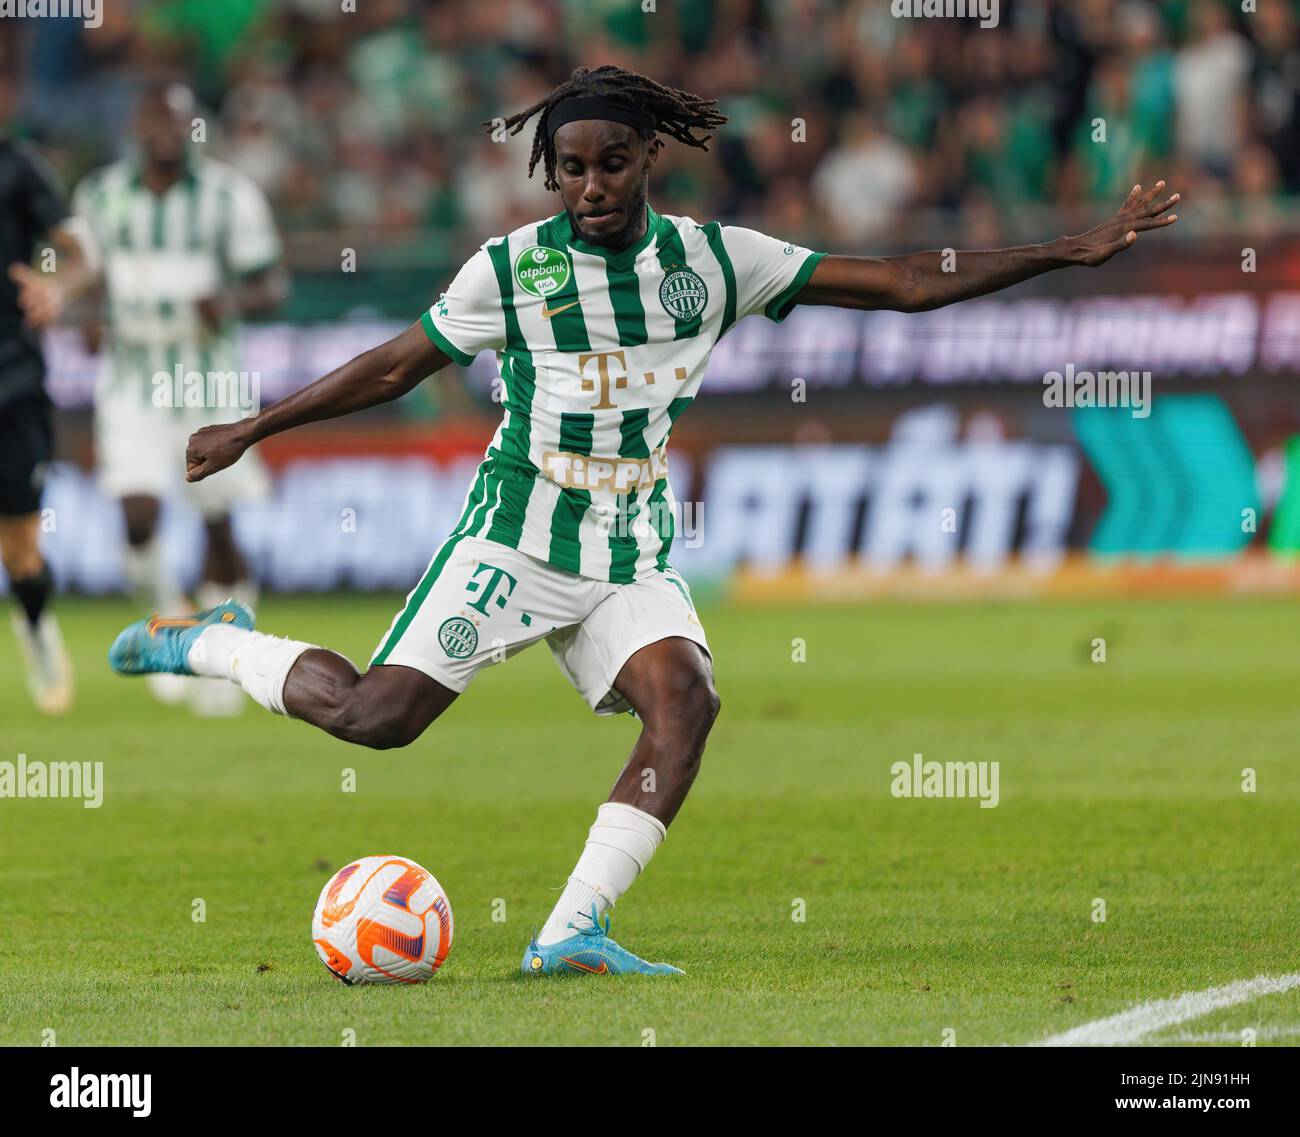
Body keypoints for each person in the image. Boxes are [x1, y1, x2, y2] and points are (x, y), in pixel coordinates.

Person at [108, 65, 1179, 975]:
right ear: (547, 171)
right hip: (516, 535)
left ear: (646, 159)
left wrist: (1065, 248)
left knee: (688, 699)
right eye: (569, 167)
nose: (589, 185)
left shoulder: (713, 263)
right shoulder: (512, 270)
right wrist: (255, 427)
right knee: (373, 721)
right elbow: (396, 364)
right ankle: (213, 642)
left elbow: (898, 280)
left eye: (609, 163)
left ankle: (570, 932)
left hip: (627, 546)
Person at [72, 80, 286, 715]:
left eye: (176, 119)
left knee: (217, 521)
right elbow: (84, 273)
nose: (164, 130)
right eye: (152, 117)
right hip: (131, 382)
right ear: (136, 126)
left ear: (193, 126)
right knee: (137, 518)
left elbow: (271, 282)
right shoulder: (101, 195)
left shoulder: (228, 195)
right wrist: (85, 313)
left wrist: (228, 302)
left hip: (206, 382)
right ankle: (169, 630)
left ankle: (227, 647)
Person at [2, 130, 92, 714]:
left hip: (11, 383)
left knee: (19, 550)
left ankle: (34, 622)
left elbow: (82, 250)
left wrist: (57, 288)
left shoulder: (16, 165)